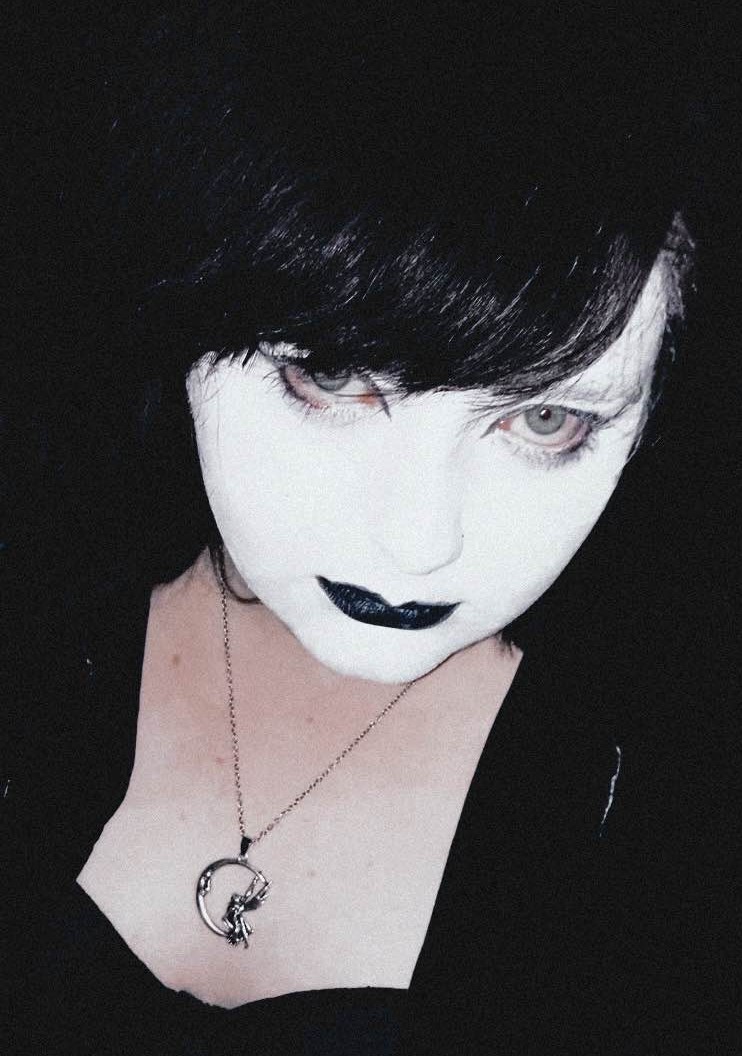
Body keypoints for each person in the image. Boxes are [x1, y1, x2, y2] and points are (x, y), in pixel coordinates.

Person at [4, 4, 739, 1053]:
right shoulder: (39, 579)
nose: (417, 541)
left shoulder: (680, 830)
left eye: (543, 421)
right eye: (330, 373)